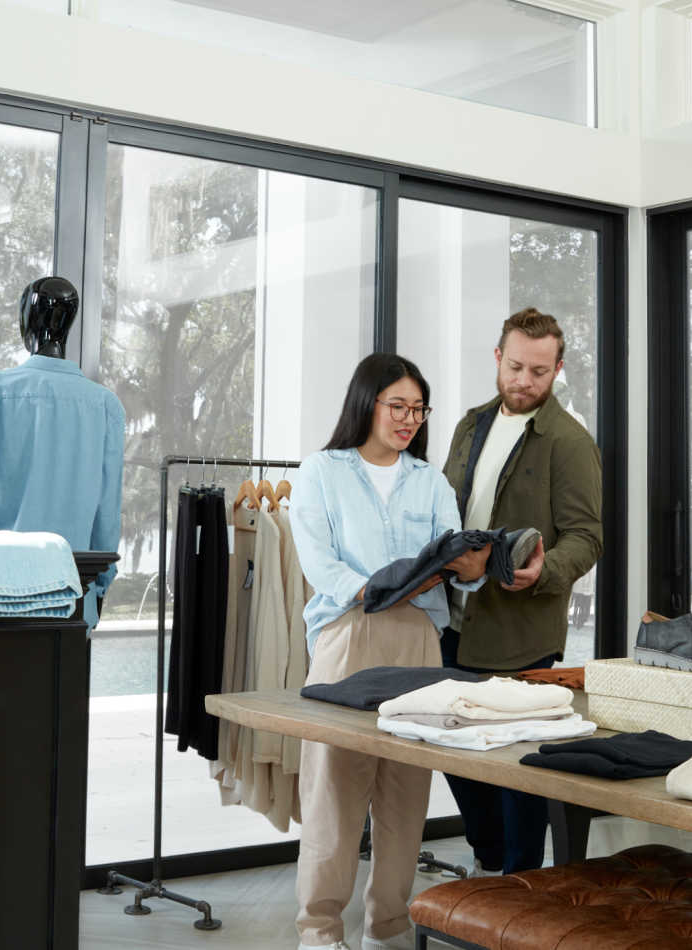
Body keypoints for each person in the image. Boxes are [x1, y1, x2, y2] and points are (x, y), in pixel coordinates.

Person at [290, 354, 489, 950]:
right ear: (366, 403)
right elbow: (317, 559)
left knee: (405, 794)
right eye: (397, 406)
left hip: (418, 640)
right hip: (349, 631)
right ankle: (320, 929)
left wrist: (472, 566)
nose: (408, 419)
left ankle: (390, 926)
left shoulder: (429, 480)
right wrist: (374, 586)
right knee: (335, 791)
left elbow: (454, 562)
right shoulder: (322, 471)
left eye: (418, 409)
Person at [438, 307, 603, 874]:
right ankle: (490, 868)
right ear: (497, 359)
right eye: (515, 367)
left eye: (539, 370)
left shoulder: (569, 441)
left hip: (521, 629)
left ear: (558, 368)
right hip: (452, 622)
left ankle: (523, 885)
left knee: (519, 772)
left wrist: (546, 570)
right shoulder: (468, 425)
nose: (524, 381)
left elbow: (587, 536)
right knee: (456, 754)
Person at [0, 276, 126, 624]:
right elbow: (106, 513)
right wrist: (100, 585)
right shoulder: (106, 406)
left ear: (26, 321)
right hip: (72, 591)